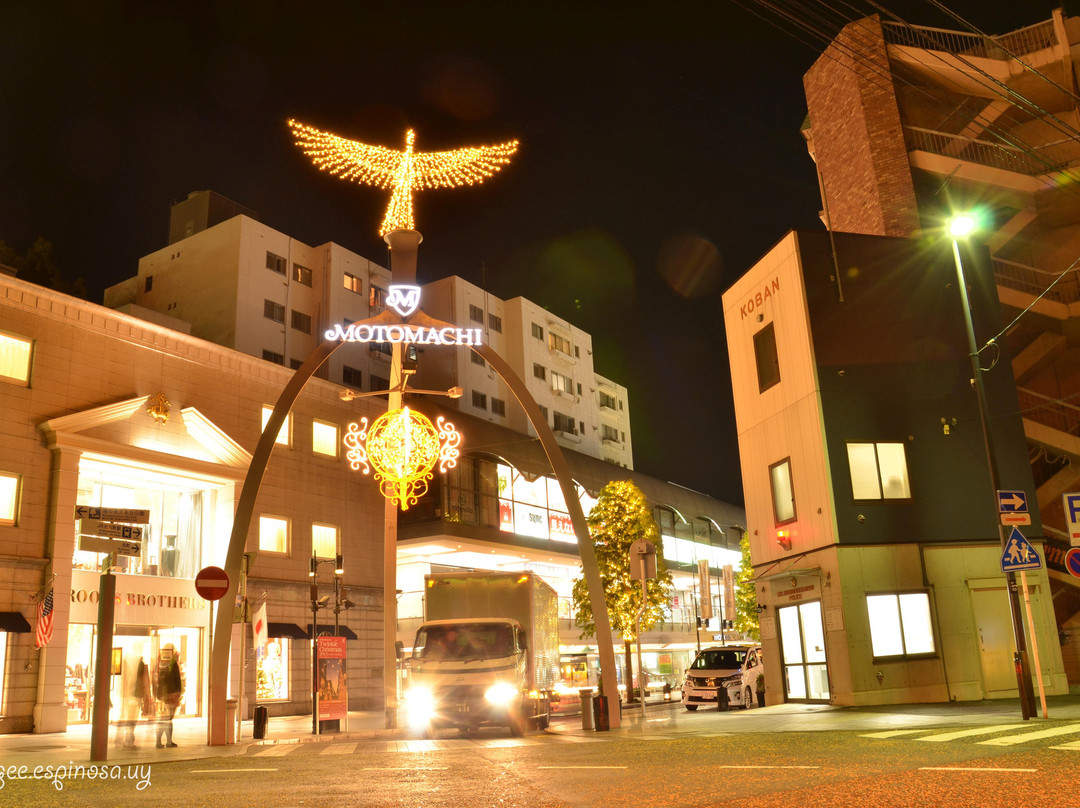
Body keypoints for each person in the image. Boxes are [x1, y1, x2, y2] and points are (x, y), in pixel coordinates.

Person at [153, 644, 183, 748]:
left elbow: (156, 679)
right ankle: (167, 741)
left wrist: (157, 693)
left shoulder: (159, 662)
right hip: (171, 694)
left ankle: (160, 741)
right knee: (167, 719)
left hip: (162, 694)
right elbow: (176, 679)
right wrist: (178, 692)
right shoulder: (173, 663)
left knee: (164, 718)